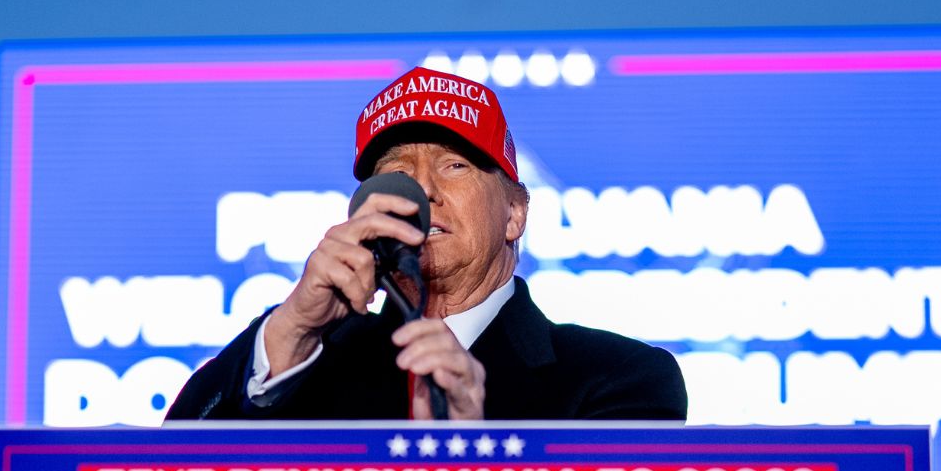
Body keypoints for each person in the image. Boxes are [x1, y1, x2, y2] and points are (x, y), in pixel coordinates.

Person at [166, 66, 687, 421]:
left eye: (454, 166)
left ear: (515, 212)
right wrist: (293, 328)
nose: (425, 193)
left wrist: (474, 451)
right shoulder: (306, 365)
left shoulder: (621, 377)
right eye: (398, 174)